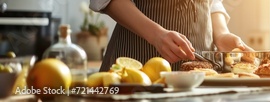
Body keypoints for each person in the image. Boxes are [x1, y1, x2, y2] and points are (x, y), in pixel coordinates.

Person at [90, 0, 254, 71]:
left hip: (204, 69)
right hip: (139, 62)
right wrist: (156, 35)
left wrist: (222, 34)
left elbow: (213, 2)